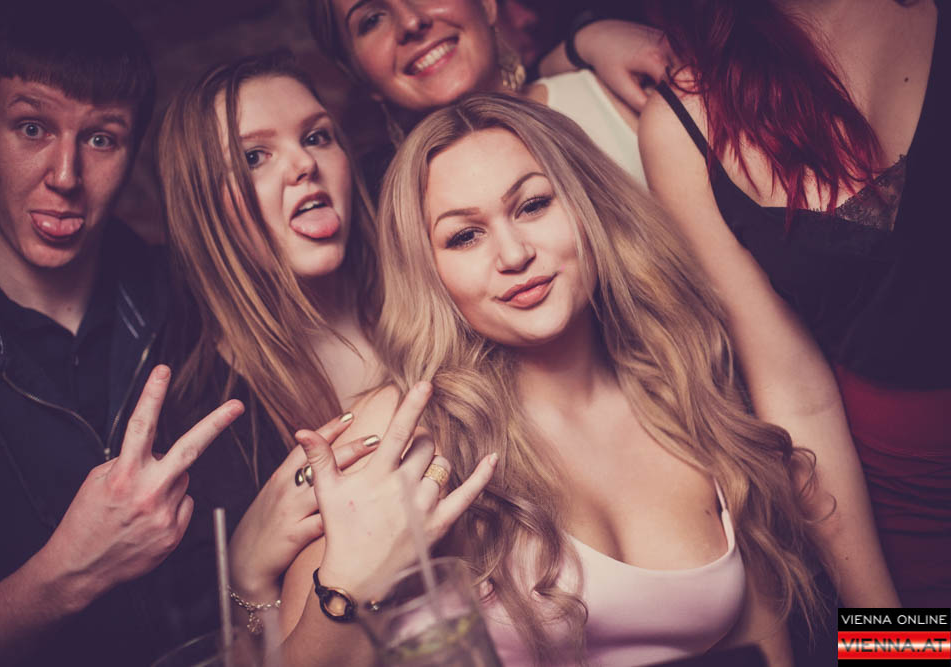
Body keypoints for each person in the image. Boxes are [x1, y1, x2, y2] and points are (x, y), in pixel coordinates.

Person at [281, 93, 827, 666]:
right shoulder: (404, 433)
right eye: (464, 236)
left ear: (589, 205)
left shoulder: (685, 382)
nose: (514, 254)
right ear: (430, 272)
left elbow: (766, 642)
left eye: (533, 205)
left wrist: (888, 647)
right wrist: (344, 586)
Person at [154, 50, 496, 653]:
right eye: (254, 157)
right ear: (203, 205)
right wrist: (247, 573)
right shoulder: (208, 420)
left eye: (316, 137)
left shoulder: (444, 288)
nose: (303, 165)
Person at [0, 1, 245, 664]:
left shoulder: (189, 298)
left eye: (101, 139)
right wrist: (65, 576)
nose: (65, 176)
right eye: (31, 128)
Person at [639, 0, 944, 607]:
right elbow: (796, 397)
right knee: (909, 648)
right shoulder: (680, 126)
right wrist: (880, 626)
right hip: (899, 509)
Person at [305, 0, 670, 192]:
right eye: (371, 20)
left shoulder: (622, 94)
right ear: (360, 75)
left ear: (487, 3)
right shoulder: (395, 222)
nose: (411, 22)